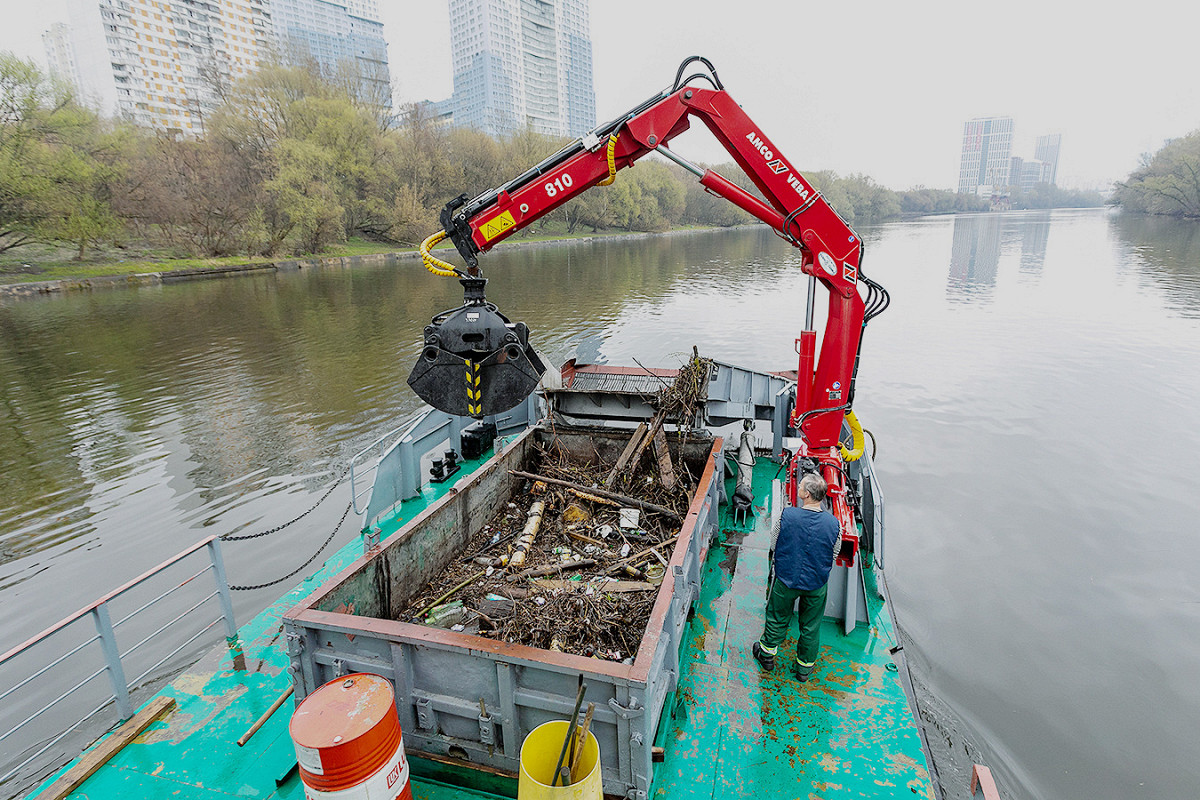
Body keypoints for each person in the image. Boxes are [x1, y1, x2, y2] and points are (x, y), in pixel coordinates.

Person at [752, 471, 842, 682]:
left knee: (777, 617)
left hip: (786, 579)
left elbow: (774, 544)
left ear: (807, 495)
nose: (798, 488)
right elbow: (834, 552)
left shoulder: (787, 515)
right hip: (816, 583)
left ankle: (766, 656)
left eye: (801, 486)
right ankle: (803, 670)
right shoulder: (834, 524)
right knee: (810, 626)